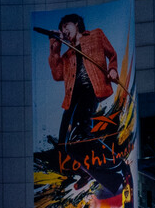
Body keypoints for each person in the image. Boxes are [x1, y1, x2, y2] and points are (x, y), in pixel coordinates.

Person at [47, 13, 118, 145]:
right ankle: (62, 147)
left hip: (92, 86)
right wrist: (55, 50)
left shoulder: (96, 35)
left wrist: (112, 69)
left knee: (81, 119)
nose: (64, 31)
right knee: (66, 122)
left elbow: (112, 54)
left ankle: (87, 140)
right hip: (73, 92)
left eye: (66, 26)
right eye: (62, 30)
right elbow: (57, 75)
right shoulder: (67, 55)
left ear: (76, 24)